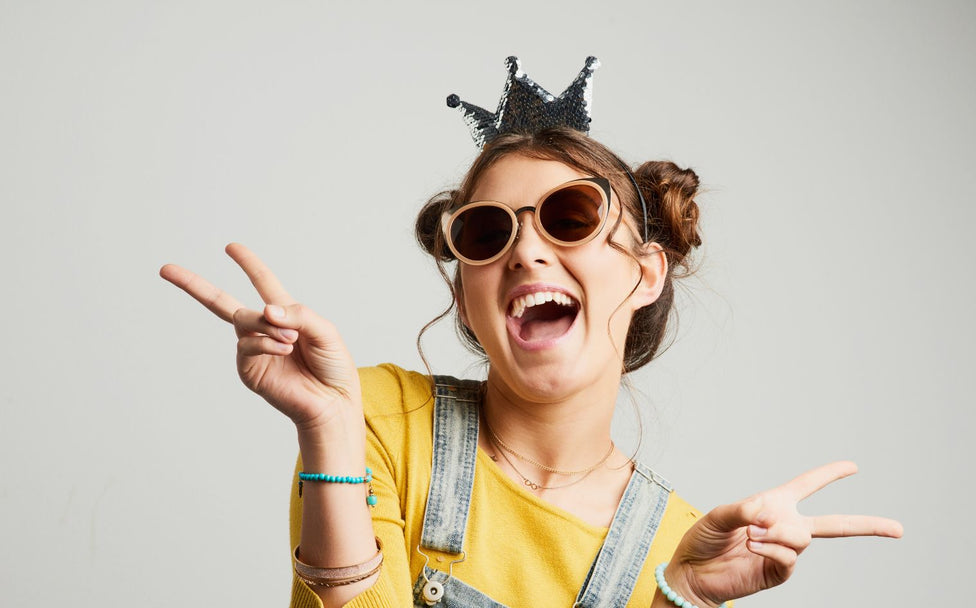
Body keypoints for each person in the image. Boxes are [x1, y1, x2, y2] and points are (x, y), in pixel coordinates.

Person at [160, 58, 902, 608]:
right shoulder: (372, 418)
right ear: (465, 293)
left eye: (569, 217)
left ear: (646, 273)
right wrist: (328, 431)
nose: (526, 250)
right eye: (486, 233)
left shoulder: (688, 543)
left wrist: (680, 595)